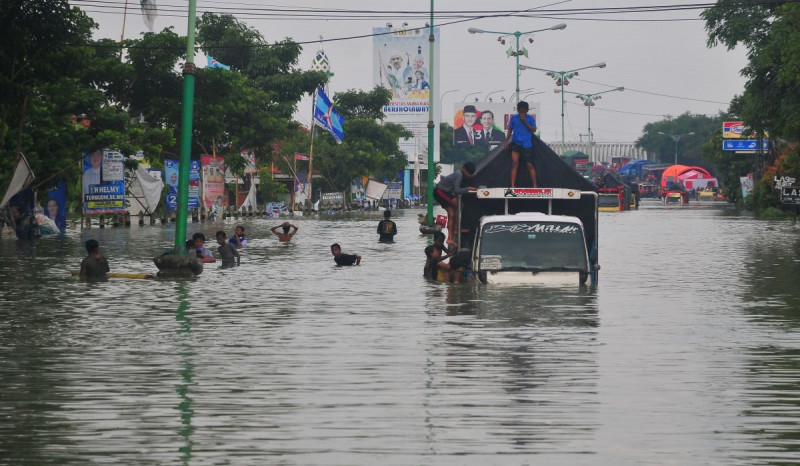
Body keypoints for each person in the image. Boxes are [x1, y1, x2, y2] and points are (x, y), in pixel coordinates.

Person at [433, 161, 477, 243]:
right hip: (440, 191)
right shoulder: (459, 175)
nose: (468, 175)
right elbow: (457, 190)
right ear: (464, 169)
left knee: (452, 213)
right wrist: (469, 188)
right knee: (459, 205)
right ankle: (456, 228)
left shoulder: (461, 174)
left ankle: (451, 237)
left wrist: (471, 177)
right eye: (468, 173)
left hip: (445, 192)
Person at [504, 101, 538, 188]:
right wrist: (506, 140)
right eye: (520, 111)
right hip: (516, 143)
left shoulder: (530, 118)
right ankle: (512, 185)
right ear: (518, 110)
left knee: (529, 165)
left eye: (524, 111)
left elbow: (534, 130)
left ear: (527, 111)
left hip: (527, 144)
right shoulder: (514, 118)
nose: (522, 113)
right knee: (515, 163)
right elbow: (510, 129)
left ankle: (535, 185)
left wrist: (524, 122)